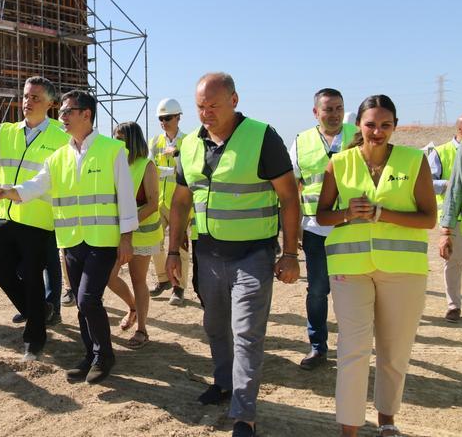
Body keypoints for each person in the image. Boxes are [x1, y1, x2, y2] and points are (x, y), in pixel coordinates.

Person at [166, 72, 300, 437]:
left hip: (252, 255)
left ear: (234, 100)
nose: (206, 113)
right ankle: (223, 382)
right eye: (200, 107)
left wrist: (290, 253)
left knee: (246, 333)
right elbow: (180, 201)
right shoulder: (191, 145)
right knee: (214, 326)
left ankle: (244, 414)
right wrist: (173, 250)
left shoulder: (262, 137)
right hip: (207, 254)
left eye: (213, 105)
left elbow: (289, 197)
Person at [0, 90, 138, 383]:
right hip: (70, 240)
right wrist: (9, 192)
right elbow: (36, 185)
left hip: (102, 240)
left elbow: (126, 198)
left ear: (86, 115)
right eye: (62, 112)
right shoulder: (58, 157)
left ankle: (104, 355)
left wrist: (127, 237)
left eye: (69, 111)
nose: (63, 117)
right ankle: (90, 354)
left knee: (88, 298)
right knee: (82, 304)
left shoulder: (112, 150)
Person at [316, 95, 435, 437]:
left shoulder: (414, 161)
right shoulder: (339, 163)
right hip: (350, 270)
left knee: (393, 350)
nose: (377, 132)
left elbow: (428, 218)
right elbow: (322, 216)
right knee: (353, 350)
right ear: (360, 126)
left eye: (385, 125)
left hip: (403, 271)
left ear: (395, 126)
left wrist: (383, 214)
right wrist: (346, 214)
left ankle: (387, 421)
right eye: (370, 124)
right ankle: (349, 430)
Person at [0, 76, 70, 360]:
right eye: (26, 96)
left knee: (31, 278)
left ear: (50, 104)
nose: (27, 103)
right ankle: (40, 311)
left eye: (35, 98)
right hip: (4, 215)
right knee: (0, 272)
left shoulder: (60, 136)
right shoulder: (7, 131)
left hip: (37, 219)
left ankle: (35, 338)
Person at [289, 88, 357, 369]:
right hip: (316, 230)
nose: (334, 114)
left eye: (339, 108)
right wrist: (293, 232)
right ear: (316, 112)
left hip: (353, 229)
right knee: (317, 291)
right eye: (328, 109)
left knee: (353, 292)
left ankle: (353, 348)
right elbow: (292, 188)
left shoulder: (358, 134)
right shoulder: (301, 141)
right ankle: (318, 347)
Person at [105, 121, 161, 349]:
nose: (116, 141)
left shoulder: (146, 166)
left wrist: (128, 224)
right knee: (109, 277)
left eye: (120, 137)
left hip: (142, 233)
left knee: (139, 279)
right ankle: (133, 307)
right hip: (117, 233)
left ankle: (142, 330)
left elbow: (153, 204)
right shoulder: (113, 163)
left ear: (132, 140)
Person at [148, 98, 190, 306]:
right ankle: (163, 279)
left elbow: (191, 171)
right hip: (159, 201)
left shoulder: (189, 142)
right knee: (154, 243)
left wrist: (175, 159)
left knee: (179, 247)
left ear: (178, 117)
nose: (163, 122)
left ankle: (178, 287)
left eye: (167, 118)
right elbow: (149, 168)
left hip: (180, 203)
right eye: (160, 119)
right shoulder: (155, 142)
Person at [431, 114, 462, 323]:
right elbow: (429, 182)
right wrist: (450, 183)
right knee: (453, 263)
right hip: (452, 219)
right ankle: (453, 306)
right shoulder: (441, 152)